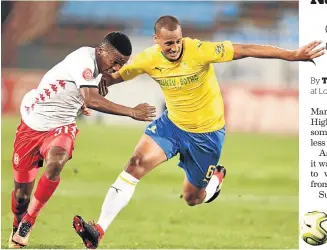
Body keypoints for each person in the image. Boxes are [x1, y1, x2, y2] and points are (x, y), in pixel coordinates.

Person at [72, 16, 325, 249]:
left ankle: (215, 180)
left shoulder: (199, 50)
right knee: (134, 164)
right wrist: (94, 89)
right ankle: (98, 230)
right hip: (171, 126)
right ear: (156, 41)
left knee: (192, 198)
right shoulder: (148, 59)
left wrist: (291, 55)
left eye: (178, 41)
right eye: (168, 43)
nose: (174, 47)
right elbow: (116, 77)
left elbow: (245, 50)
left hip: (207, 135)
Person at [9, 31, 156, 248]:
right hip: (31, 126)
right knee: (21, 197)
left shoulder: (98, 70)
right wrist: (131, 112)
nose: (116, 69)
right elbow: (90, 97)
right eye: (115, 62)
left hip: (61, 127)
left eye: (121, 65)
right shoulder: (83, 60)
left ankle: (28, 222)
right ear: (101, 50)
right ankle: (17, 224)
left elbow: (79, 95)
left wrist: (80, 104)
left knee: (57, 160)